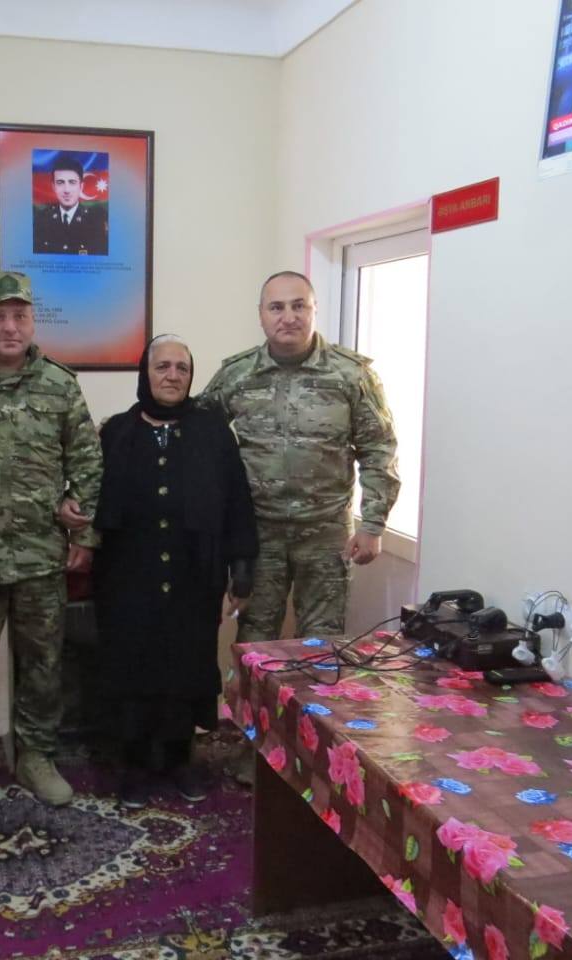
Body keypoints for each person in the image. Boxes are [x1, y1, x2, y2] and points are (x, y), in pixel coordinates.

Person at [0, 271, 103, 806]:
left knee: (42, 665)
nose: (11, 327)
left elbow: (87, 462)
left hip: (40, 556)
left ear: (33, 321)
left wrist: (85, 532)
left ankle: (36, 756)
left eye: (20, 316)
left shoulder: (59, 383)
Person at [94, 335, 257, 808]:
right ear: (145, 373)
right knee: (133, 667)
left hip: (194, 576)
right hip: (128, 576)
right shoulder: (116, 432)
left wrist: (241, 568)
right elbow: (90, 494)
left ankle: (179, 757)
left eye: (182, 368)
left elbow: (237, 502)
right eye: (162, 366)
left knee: (186, 665)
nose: (172, 375)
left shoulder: (213, 433)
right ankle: (135, 764)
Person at [201, 270, 399, 650]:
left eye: (298, 306)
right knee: (255, 642)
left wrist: (373, 524)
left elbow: (379, 447)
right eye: (277, 307)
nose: (288, 317)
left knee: (321, 646)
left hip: (326, 533)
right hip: (259, 534)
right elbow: (197, 432)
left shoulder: (351, 374)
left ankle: (314, 692)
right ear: (261, 315)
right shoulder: (237, 374)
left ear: (314, 310)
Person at [33, 152, 108, 255]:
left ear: (81, 187)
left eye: (72, 182)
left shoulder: (95, 221)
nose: (66, 190)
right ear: (54, 187)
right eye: (60, 183)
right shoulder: (42, 219)